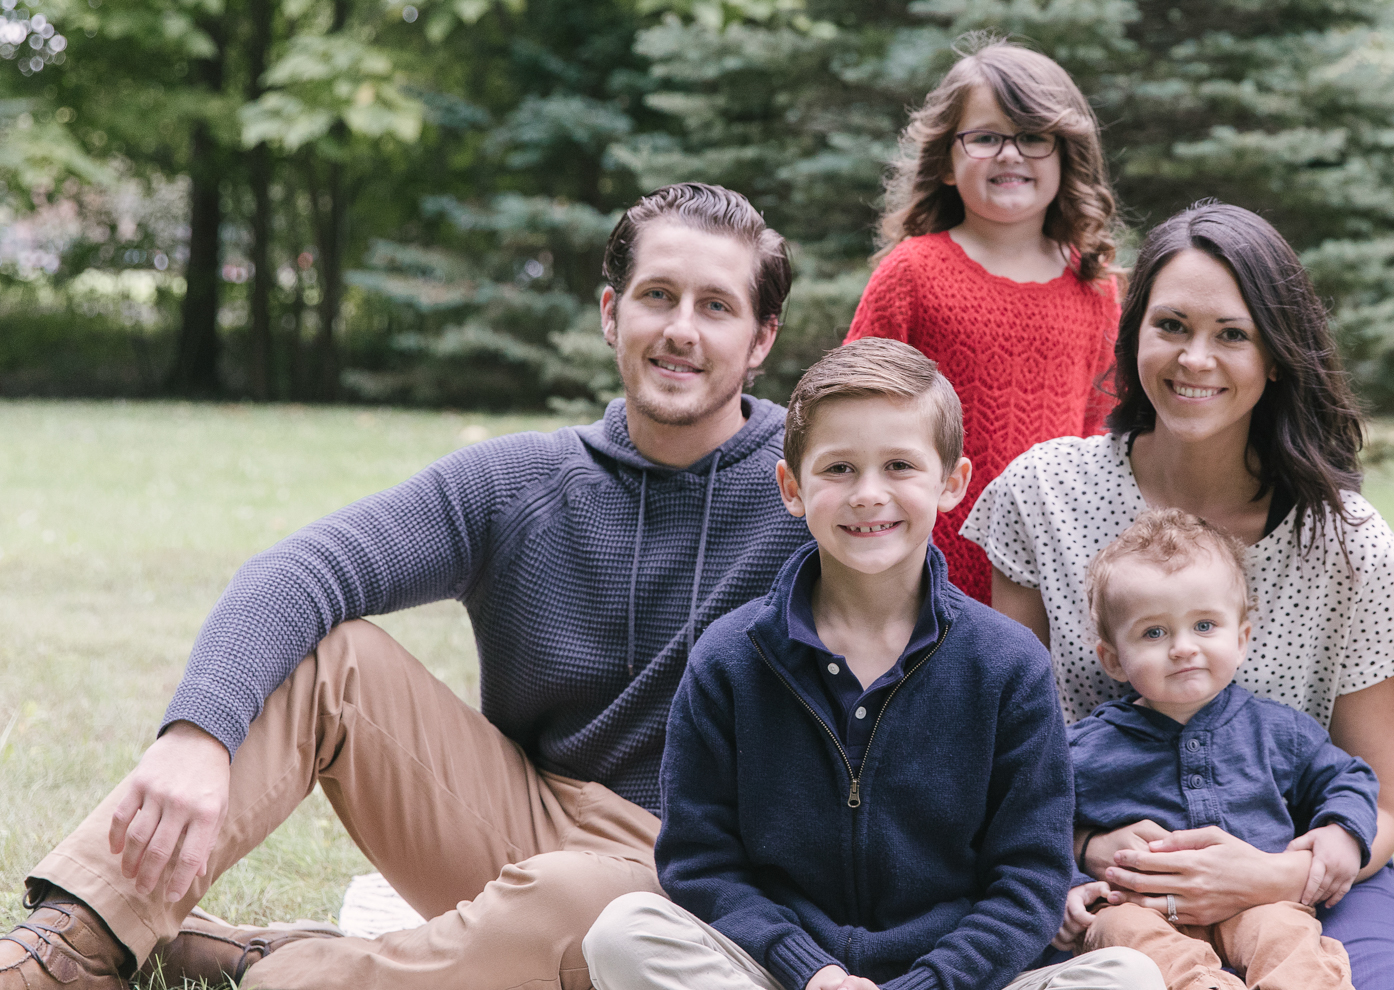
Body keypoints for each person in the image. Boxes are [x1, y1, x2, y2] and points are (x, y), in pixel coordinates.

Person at [0, 183, 814, 990]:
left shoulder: (813, 488)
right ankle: (73, 943)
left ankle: (275, 971)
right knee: (333, 655)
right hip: (520, 821)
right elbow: (305, 569)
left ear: (760, 338)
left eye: (715, 307)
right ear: (611, 314)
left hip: (692, 870)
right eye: (657, 297)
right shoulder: (519, 483)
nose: (679, 330)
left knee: (587, 907)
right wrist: (197, 736)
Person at [962, 201, 1394, 990]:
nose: (1194, 359)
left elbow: (1377, 802)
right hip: (1104, 888)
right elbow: (1007, 752)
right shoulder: (1043, 494)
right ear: (1134, 333)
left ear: (1277, 356)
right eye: (1171, 326)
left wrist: (1276, 877)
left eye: (1232, 335)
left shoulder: (1346, 542)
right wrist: (1081, 850)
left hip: (1301, 873)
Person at [583, 338, 1163, 990]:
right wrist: (814, 973)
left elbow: (1028, 879)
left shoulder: (1007, 667)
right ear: (792, 488)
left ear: (951, 483)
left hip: (951, 981)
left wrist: (929, 984)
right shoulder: (729, 659)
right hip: (783, 976)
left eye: (898, 466)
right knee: (626, 931)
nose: (867, 494)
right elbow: (701, 863)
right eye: (837, 469)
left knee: (1127, 977)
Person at [845, 35, 1120, 604]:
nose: (1010, 154)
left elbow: (1104, 435)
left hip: (1050, 570)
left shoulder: (1095, 290)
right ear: (947, 160)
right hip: (924, 570)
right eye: (986, 137)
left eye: (1033, 138)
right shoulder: (913, 273)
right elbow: (849, 409)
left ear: (1066, 154)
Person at [1057, 509, 1378, 990]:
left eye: (1204, 625)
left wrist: (1341, 833)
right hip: (1138, 908)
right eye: (1154, 632)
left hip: (1255, 903)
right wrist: (1069, 884)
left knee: (1289, 937)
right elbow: (1032, 823)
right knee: (1117, 933)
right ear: (1112, 659)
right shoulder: (1085, 749)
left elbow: (1349, 778)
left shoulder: (1278, 730)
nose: (1183, 648)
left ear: (1242, 637)